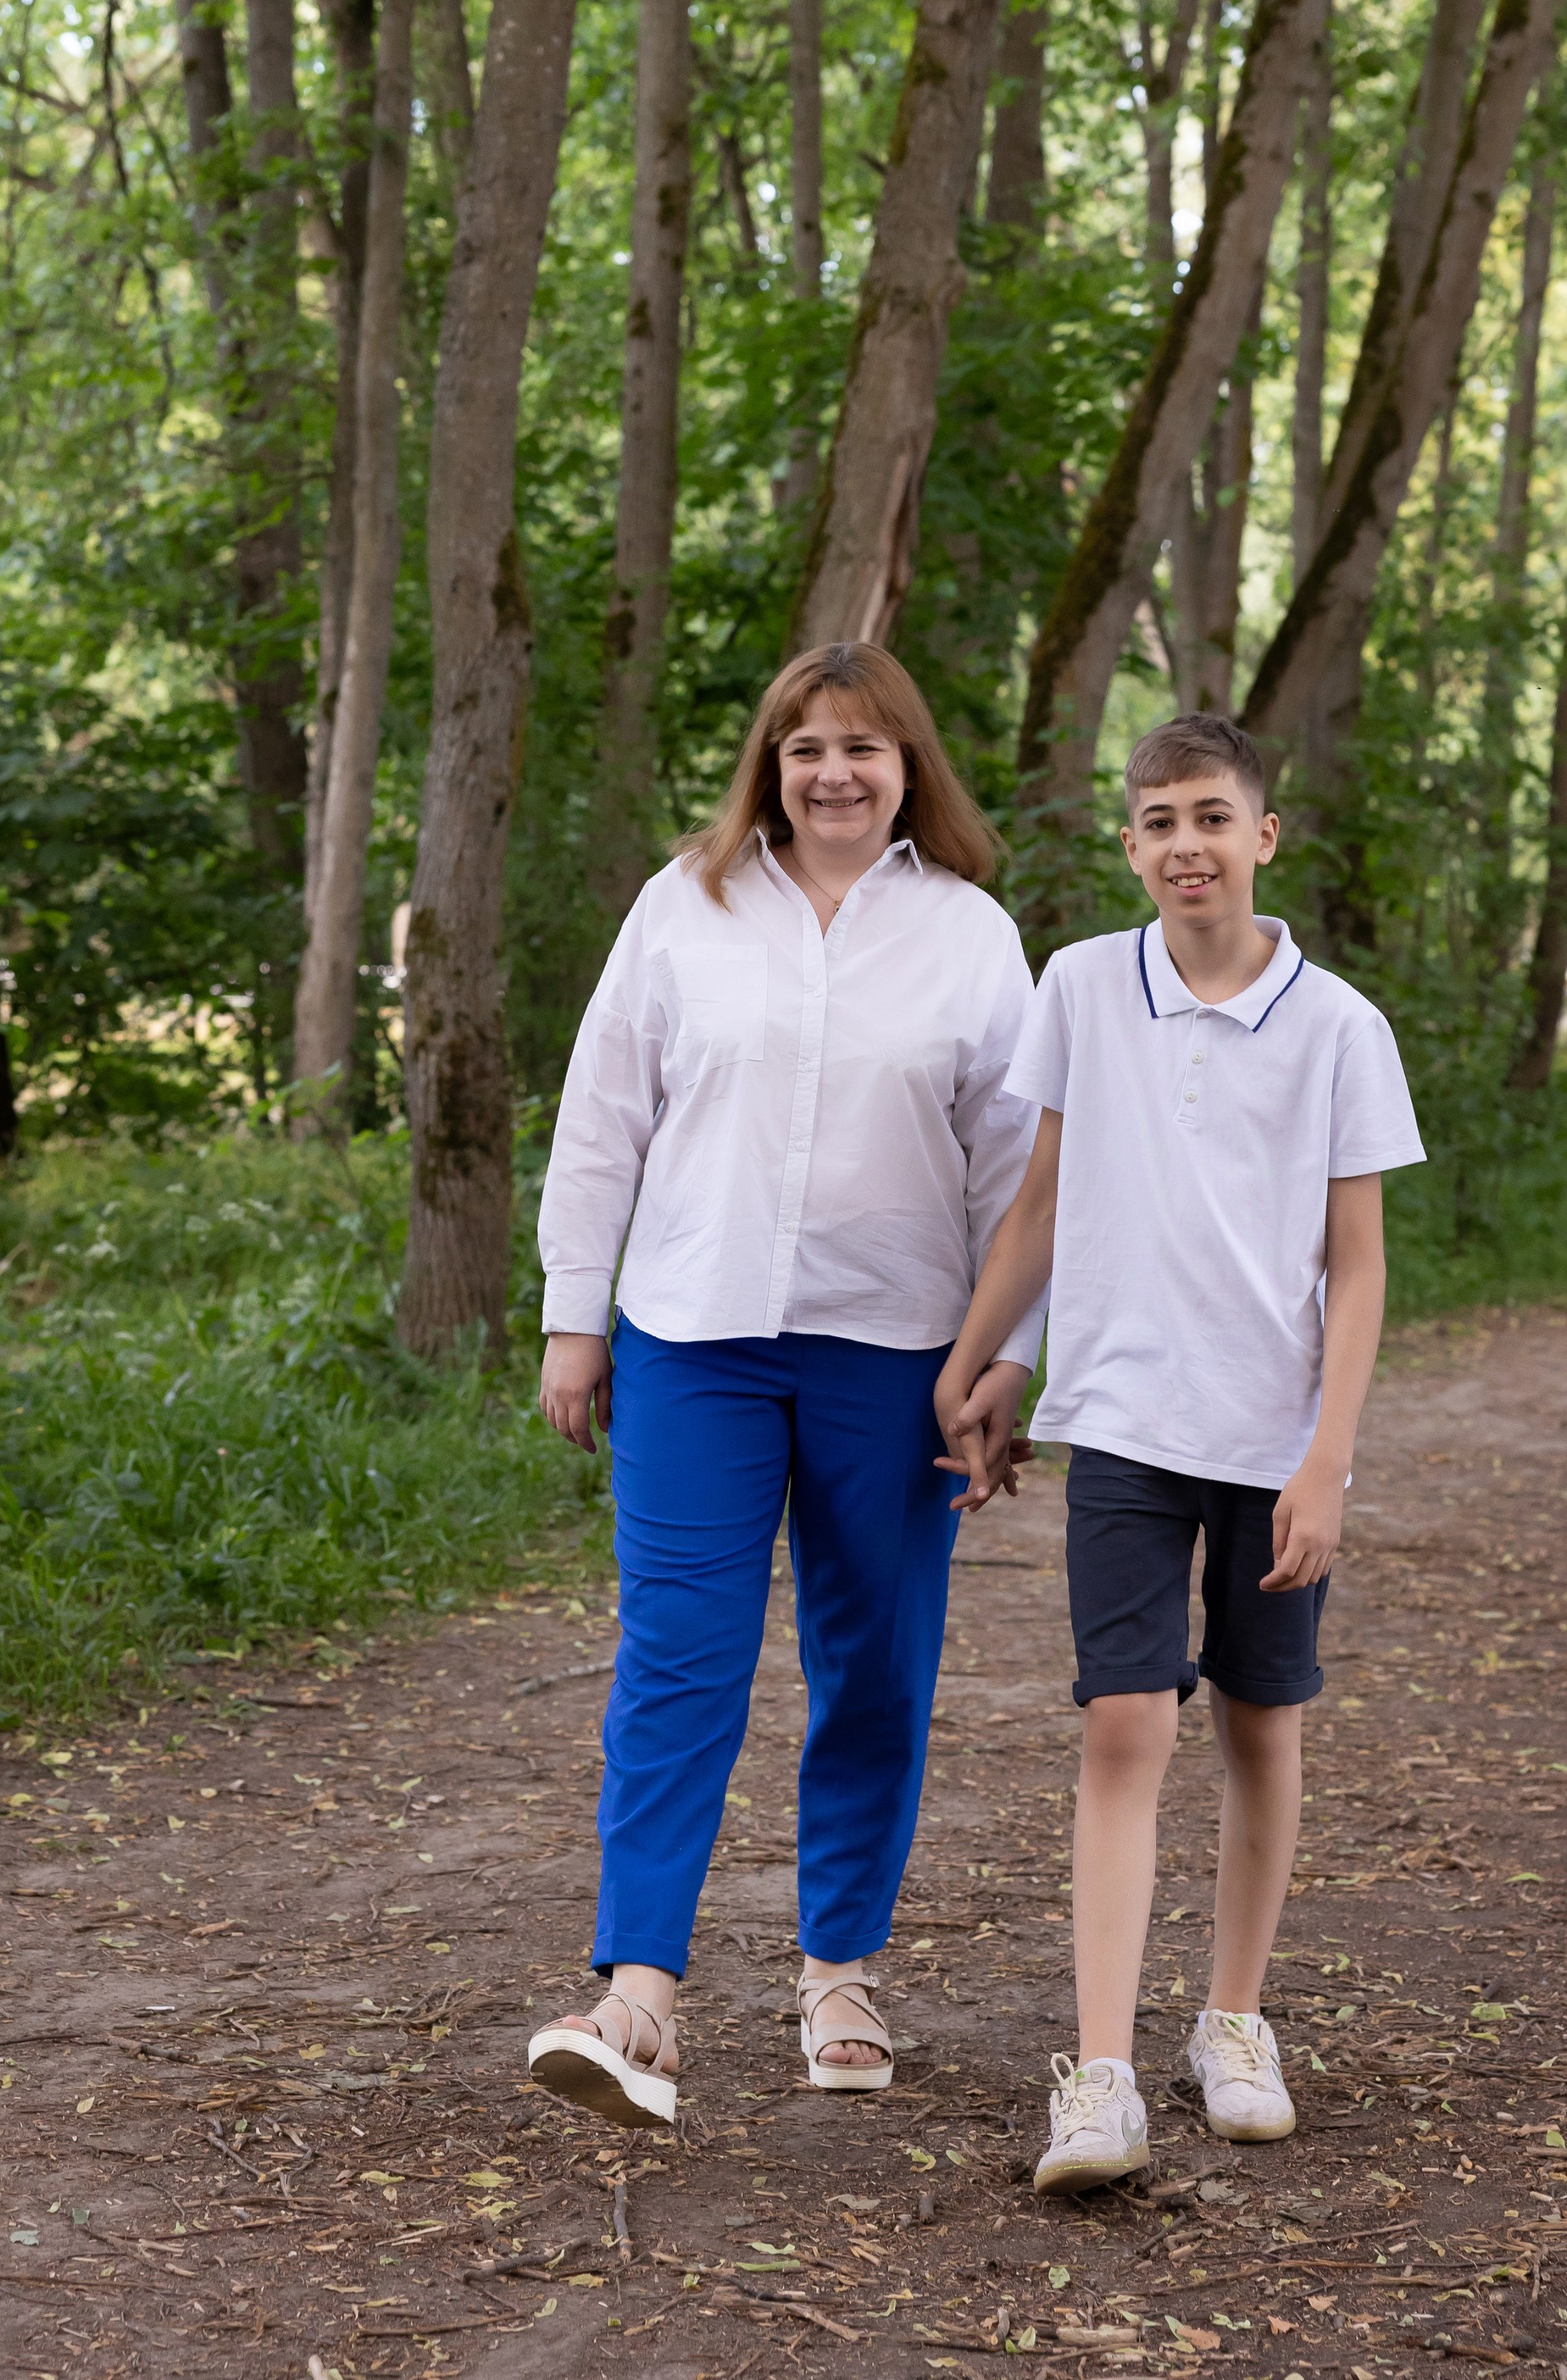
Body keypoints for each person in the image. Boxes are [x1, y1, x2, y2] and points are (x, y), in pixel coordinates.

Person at [526, 642, 1046, 2131]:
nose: (833, 773)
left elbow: (1019, 1171)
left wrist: (1009, 1358)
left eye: (863, 748)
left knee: (873, 1661)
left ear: (907, 767)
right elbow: (604, 1114)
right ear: (771, 761)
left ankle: (840, 1974)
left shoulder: (969, 935)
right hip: (694, 1338)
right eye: (806, 746)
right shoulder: (681, 906)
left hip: (899, 1353)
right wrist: (574, 1315)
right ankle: (639, 1994)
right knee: (678, 1656)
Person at [933, 710, 1425, 2192]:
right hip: (1126, 1422)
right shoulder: (1083, 986)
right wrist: (974, 1366)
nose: (1186, 845)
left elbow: (1359, 1264)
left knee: (1260, 1725)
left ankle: (1234, 2023)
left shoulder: (1339, 1026)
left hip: (1273, 1440)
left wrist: (1328, 1460)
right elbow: (1041, 1204)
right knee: (1123, 1725)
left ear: (1263, 835)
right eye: (1158, 821)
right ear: (1129, 844)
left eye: (1212, 817)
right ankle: (1101, 2079)